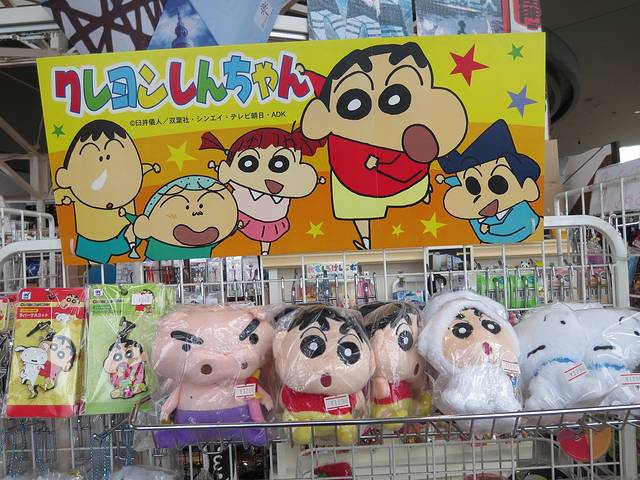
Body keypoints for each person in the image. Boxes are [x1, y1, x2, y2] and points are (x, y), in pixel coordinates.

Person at [299, 41, 468, 249]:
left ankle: (417, 196)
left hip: (403, 182)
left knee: (407, 191)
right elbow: (322, 88)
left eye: (397, 97)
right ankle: (367, 240)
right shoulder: (341, 131)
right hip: (355, 184)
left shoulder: (414, 131)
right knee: (360, 208)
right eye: (354, 103)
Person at [201, 126, 324, 255]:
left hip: (273, 222)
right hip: (242, 218)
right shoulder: (240, 184)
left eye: (280, 163)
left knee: (266, 239)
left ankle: (265, 250)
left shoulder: (288, 188)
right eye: (248, 163)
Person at [54, 120, 160, 263]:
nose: (104, 158)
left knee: (137, 232)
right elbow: (60, 195)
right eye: (91, 153)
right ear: (65, 177)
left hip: (123, 233)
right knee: (97, 266)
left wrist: (151, 168)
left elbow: (140, 169)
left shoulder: (132, 173)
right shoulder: (72, 190)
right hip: (92, 238)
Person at [436, 119, 541, 244]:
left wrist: (489, 227)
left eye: (498, 184)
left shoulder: (521, 213)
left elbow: (519, 227)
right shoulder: (472, 209)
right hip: (483, 246)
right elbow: (457, 182)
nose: (483, 196)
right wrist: (444, 180)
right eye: (472, 185)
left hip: (526, 241)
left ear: (527, 188)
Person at [122, 175, 240, 261]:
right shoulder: (156, 237)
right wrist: (127, 215)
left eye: (201, 206)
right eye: (185, 206)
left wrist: (234, 227)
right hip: (153, 258)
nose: (195, 213)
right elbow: (139, 222)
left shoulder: (207, 243)